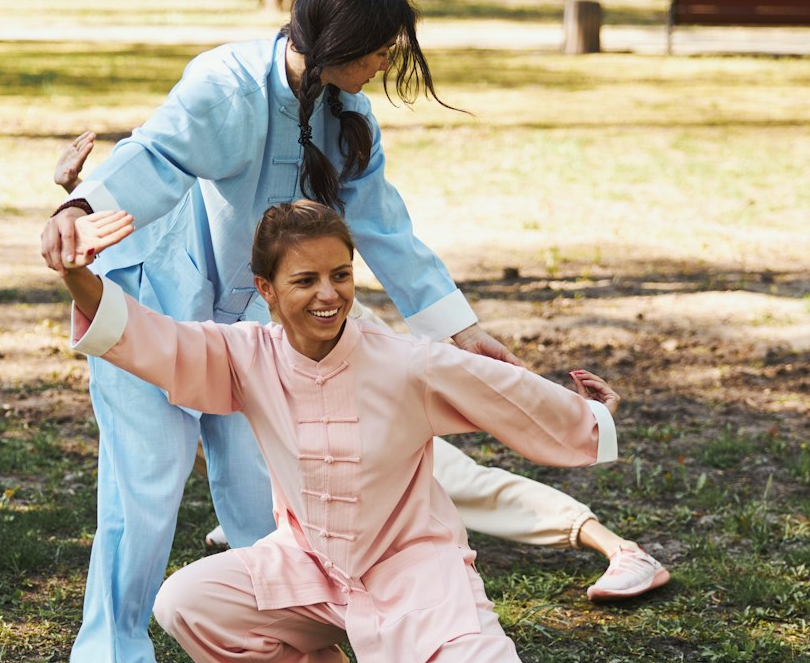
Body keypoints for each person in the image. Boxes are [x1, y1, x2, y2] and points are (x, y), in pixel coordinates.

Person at [54, 200, 762, 663]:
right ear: (266, 291)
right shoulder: (245, 353)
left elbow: (505, 394)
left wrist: (590, 418)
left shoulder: (406, 362)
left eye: (341, 274)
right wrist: (79, 276)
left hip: (416, 576)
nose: (328, 294)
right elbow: (153, 340)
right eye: (305, 280)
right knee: (188, 599)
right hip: (307, 566)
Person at [40, 0, 521, 663]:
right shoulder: (228, 83)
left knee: (268, 486)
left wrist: (463, 331)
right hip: (154, 300)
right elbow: (158, 153)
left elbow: (383, 228)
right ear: (339, 41)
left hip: (251, 325)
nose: (387, 63)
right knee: (149, 480)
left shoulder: (349, 118)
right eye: (379, 49)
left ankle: (280, 657)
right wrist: (78, 210)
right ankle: (117, 659)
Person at [54, 131, 671, 601]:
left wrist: (584, 416)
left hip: (356, 378)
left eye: (339, 275)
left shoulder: (312, 263)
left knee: (455, 480)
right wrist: (76, 205)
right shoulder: (233, 329)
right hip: (298, 414)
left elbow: (489, 386)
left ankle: (618, 547)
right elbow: (141, 260)